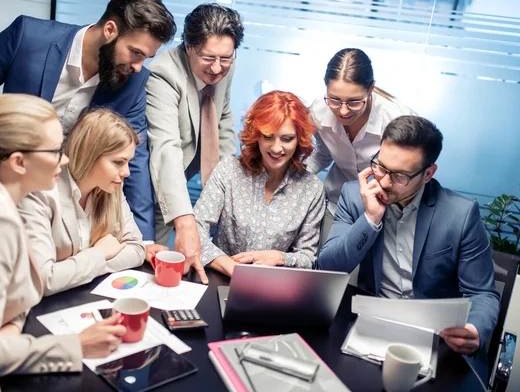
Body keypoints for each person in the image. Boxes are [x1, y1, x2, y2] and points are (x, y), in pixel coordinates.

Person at [0, 0, 177, 243]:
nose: (138, 66)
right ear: (110, 30)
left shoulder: (134, 80)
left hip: (61, 209)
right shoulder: (28, 36)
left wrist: (143, 242)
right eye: (136, 53)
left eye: (147, 58)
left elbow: (133, 156)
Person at [0, 95, 127, 392]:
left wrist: (9, 330)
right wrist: (76, 345)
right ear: (18, 162)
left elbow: (12, 302)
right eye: (56, 151)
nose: (65, 159)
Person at [317, 115, 499, 373]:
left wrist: (473, 329)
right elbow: (329, 268)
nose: (384, 182)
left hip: (436, 337)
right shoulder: (355, 195)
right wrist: (370, 219)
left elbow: (482, 293)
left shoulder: (461, 214)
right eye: (381, 166)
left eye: (400, 176)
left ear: (428, 173)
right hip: (374, 329)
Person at [146, 3, 245, 284]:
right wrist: (184, 220)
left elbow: (223, 118)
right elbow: (165, 147)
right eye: (208, 57)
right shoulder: (164, 72)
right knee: (159, 257)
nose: (217, 68)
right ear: (188, 46)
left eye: (225, 58)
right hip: (155, 178)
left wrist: (229, 186)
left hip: (193, 166)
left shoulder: (226, 64)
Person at [18, 109, 165, 295]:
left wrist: (78, 268)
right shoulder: (39, 193)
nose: (127, 172)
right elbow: (45, 280)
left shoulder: (111, 188)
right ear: (90, 155)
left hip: (82, 296)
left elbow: (136, 249)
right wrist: (98, 254)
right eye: (118, 162)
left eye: (128, 162)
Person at [194, 91, 325, 277]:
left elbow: (308, 258)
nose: (277, 148)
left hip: (274, 288)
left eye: (287, 139)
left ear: (299, 139)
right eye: (268, 136)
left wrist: (281, 258)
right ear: (256, 135)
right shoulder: (229, 171)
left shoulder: (312, 189)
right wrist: (232, 268)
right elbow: (195, 230)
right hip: (220, 278)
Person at [307, 48, 414, 241]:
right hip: (337, 203)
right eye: (335, 99)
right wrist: (292, 175)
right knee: (331, 266)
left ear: (371, 88)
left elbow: (412, 174)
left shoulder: (397, 118)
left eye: (354, 101)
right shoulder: (319, 110)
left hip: (387, 209)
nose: (343, 111)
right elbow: (323, 153)